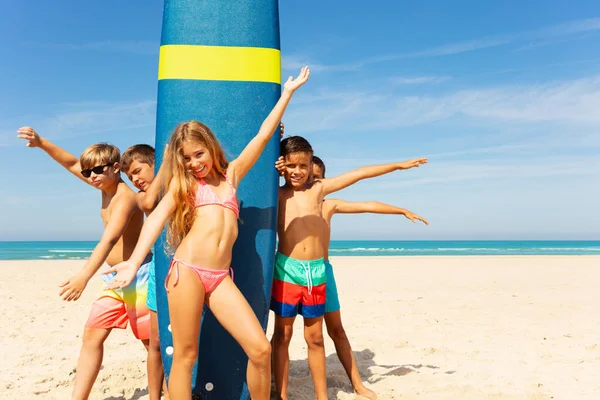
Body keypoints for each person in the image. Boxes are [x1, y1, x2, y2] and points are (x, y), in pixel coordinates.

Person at [103, 66, 310, 400]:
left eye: (198, 154)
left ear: (211, 148)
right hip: (187, 272)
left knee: (259, 349)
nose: (194, 163)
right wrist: (133, 262)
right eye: (186, 158)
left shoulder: (232, 177)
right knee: (186, 356)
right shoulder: (183, 186)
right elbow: (154, 220)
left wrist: (287, 94)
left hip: (219, 277)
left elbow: (262, 136)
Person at [272, 135, 427, 400]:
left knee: (316, 339)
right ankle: (282, 396)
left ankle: (323, 397)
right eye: (292, 165)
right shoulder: (275, 193)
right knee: (282, 336)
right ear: (282, 164)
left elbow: (360, 174)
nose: (298, 171)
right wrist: (275, 143)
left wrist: (399, 166)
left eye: (304, 166)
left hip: (316, 272)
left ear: (311, 167)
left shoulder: (319, 192)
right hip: (287, 270)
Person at [16, 128, 150, 400]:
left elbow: (108, 240)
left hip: (138, 276)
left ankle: (170, 391)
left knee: (151, 344)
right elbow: (70, 163)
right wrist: (42, 143)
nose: (90, 178)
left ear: (115, 168)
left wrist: (83, 277)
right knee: (92, 337)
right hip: (114, 280)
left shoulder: (124, 197)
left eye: (97, 171)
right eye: (87, 173)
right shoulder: (102, 183)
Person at [314, 156, 428, 399]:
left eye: (317, 178)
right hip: (295, 271)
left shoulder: (328, 205)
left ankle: (358, 385)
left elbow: (369, 203)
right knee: (286, 334)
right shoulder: (288, 200)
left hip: (324, 270)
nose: (311, 182)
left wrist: (401, 210)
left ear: (324, 181)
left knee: (337, 331)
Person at [120, 144, 168, 400]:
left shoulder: (173, 186)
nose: (135, 179)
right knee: (156, 342)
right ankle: (154, 396)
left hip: (185, 268)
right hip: (157, 273)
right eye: (130, 177)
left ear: (154, 164)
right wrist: (165, 164)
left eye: (138, 171)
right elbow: (149, 203)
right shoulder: (140, 196)